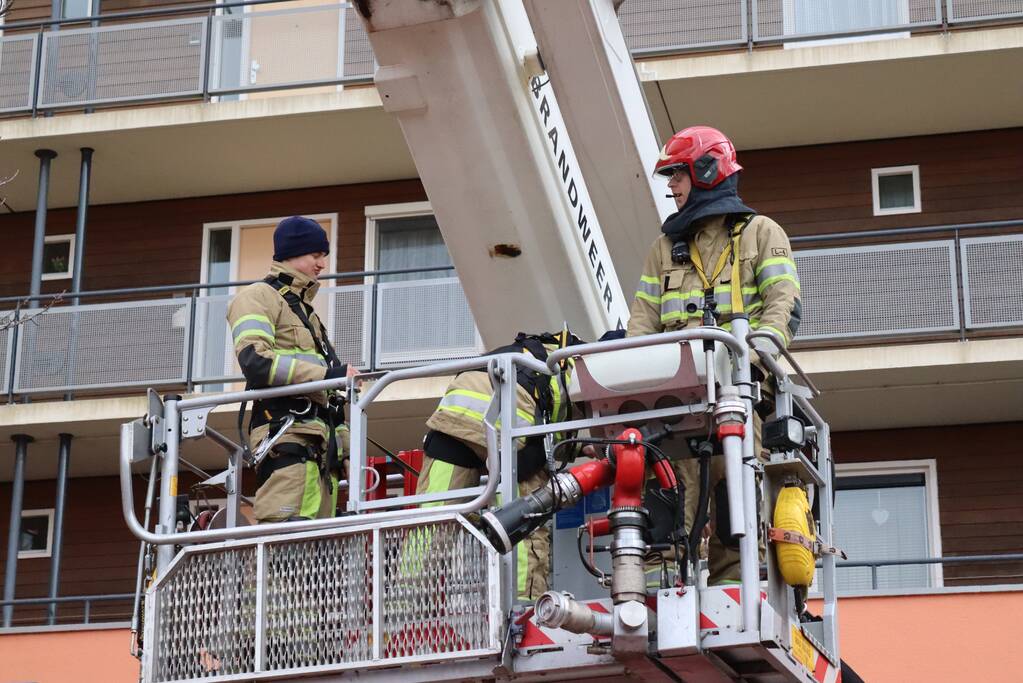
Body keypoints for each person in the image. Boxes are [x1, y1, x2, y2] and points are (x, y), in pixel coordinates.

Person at [626, 126, 801, 584]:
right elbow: (642, 324)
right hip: (674, 403)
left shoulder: (762, 233)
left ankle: (733, 592)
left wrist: (751, 363)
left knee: (735, 503)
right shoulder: (662, 250)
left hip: (740, 399)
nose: (670, 186)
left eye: (677, 174)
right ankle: (656, 594)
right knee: (664, 500)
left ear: (706, 171)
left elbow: (784, 305)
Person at [417, 330, 582, 600]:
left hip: (453, 417)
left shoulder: (526, 350)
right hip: (508, 426)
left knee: (432, 522)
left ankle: (409, 606)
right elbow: (556, 428)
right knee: (524, 520)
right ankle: (523, 604)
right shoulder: (575, 363)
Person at [227, 215, 355, 524]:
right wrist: (328, 375)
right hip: (287, 437)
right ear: (293, 252)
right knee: (285, 553)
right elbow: (256, 362)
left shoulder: (307, 315)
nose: (322, 264)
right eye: (316, 254)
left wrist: (346, 450)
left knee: (320, 559)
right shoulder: (258, 297)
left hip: (320, 450)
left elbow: (330, 397)